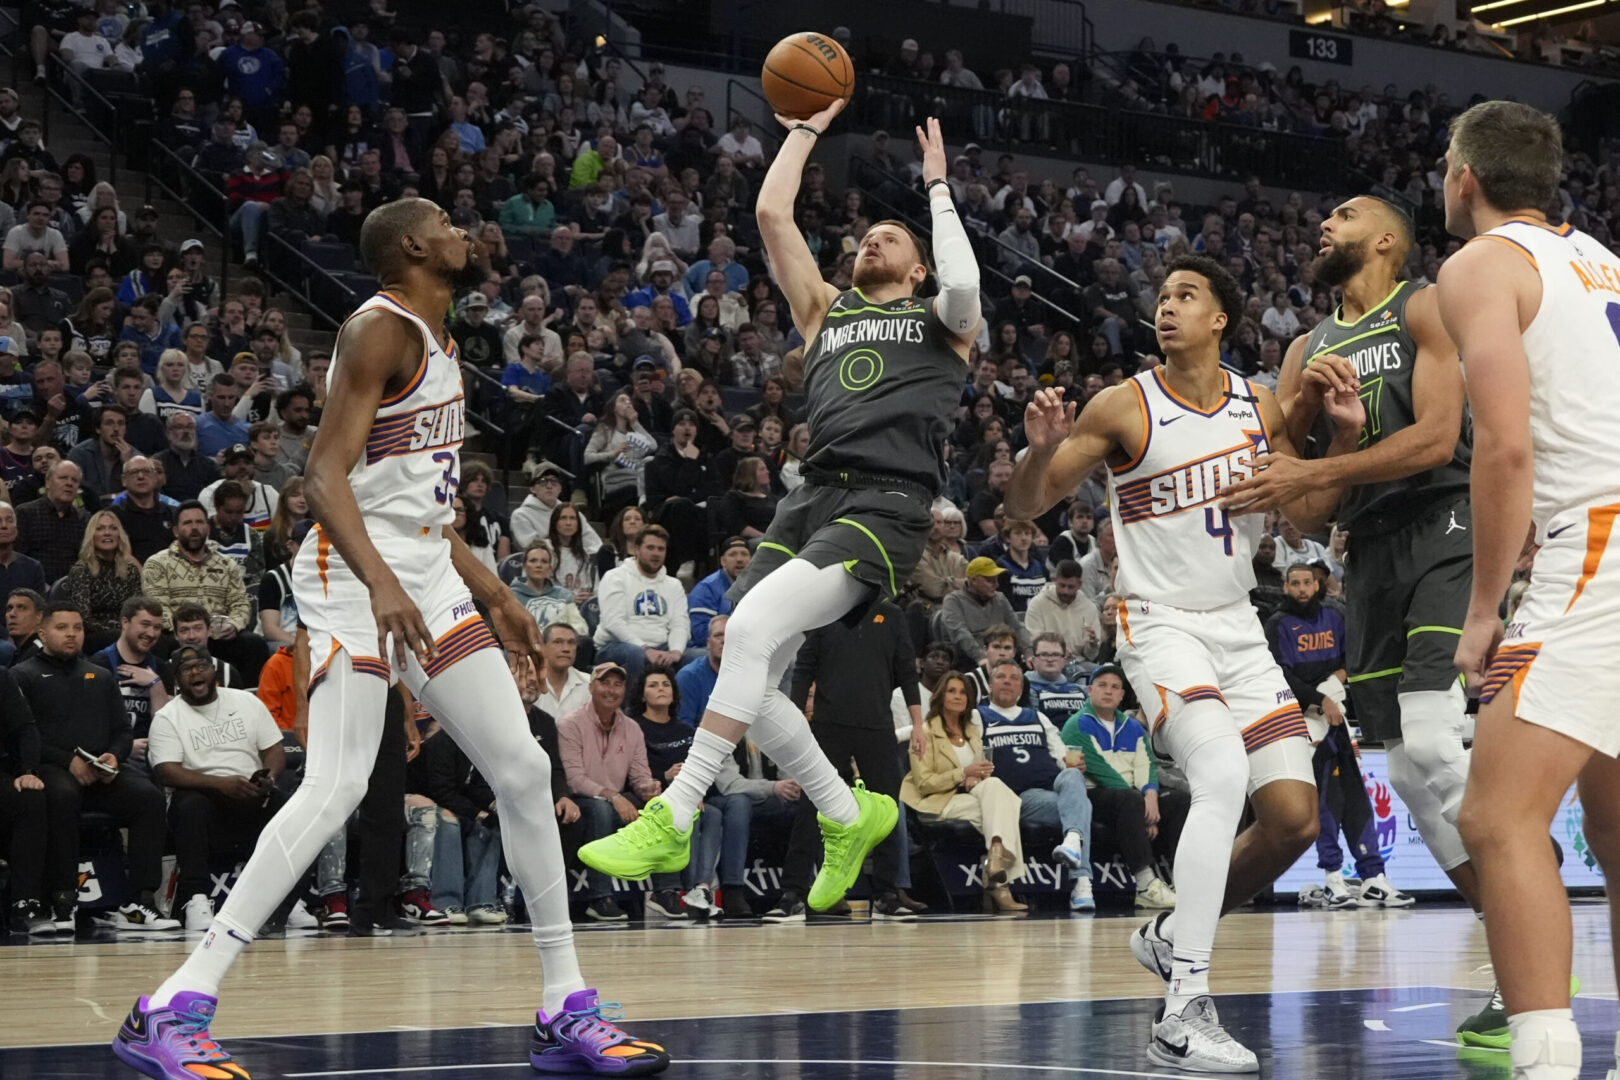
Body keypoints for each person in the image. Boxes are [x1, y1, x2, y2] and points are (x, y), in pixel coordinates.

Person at [114, 199, 668, 1079]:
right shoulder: (379, 329)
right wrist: (378, 583)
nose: (466, 229)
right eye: (448, 221)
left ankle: (565, 1004)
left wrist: (494, 593)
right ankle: (174, 1003)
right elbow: (322, 476)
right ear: (413, 246)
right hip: (349, 582)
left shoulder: (442, 340)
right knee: (333, 784)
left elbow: (422, 509)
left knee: (524, 768)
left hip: (428, 579)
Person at [578, 112, 980, 918]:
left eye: (890, 240)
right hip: (811, 497)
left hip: (886, 500)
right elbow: (771, 216)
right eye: (867, 235)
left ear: (918, 265)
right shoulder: (825, 311)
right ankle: (846, 811)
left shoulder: (944, 323)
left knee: (755, 632)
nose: (872, 241)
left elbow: (966, 285)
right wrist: (800, 129)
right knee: (739, 655)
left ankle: (674, 812)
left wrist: (936, 188)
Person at [1003, 255, 1362, 1071]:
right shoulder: (1124, 404)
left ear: (1220, 320)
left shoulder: (1259, 406)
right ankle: (1184, 1009)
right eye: (1161, 296)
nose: (1167, 308)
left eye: (1185, 296)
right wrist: (1037, 453)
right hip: (1158, 623)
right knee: (1220, 775)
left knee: (1295, 820)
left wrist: (1338, 438)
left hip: (1237, 624)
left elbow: (1304, 515)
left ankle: (1168, 937)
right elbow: (1027, 504)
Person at [1224, 192, 1494, 1036]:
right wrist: (1331, 449)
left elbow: (1436, 435)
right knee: (1410, 772)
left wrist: (1299, 476)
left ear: (1384, 239)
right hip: (1368, 551)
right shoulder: (1307, 347)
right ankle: (1515, 919)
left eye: (1341, 215)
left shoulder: (1424, 303)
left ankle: (1525, 894)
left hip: (1447, 520)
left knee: (1425, 740)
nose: (1322, 224)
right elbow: (1306, 521)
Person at [1429, 101, 1620, 1080]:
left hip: (1596, 547)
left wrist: (1481, 609)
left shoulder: (1479, 266)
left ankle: (1546, 1064)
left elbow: (1502, 447)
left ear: (1465, 178)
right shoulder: (1603, 261)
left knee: (1496, 820)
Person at [20, 602, 178, 932]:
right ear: (42, 632)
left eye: (77, 628)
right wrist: (68, 761)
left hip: (100, 771)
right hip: (53, 767)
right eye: (62, 627)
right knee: (61, 796)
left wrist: (114, 757)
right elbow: (23, 735)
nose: (71, 634)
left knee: (147, 797)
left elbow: (122, 730)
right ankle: (62, 902)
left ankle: (139, 902)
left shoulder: (98, 674)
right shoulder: (24, 675)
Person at [1265, 564, 1408, 909]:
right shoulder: (1277, 624)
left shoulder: (1335, 615)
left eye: (1307, 583)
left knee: (1355, 795)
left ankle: (1374, 876)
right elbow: (1278, 675)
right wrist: (1319, 698)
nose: (1301, 589)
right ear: (1286, 587)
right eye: (1294, 583)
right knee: (1325, 799)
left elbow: (1351, 659)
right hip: (1300, 719)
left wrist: (1336, 683)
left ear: (1318, 584)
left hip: (1336, 712)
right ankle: (1332, 876)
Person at [782, 599, 921, 921]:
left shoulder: (893, 615)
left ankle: (887, 894)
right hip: (829, 727)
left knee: (887, 810)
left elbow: (906, 671)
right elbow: (804, 668)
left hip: (878, 726)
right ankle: (793, 892)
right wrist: (796, 717)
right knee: (811, 807)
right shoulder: (822, 611)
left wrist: (918, 725)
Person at [148, 645, 287, 931]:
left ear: (213, 670)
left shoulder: (246, 702)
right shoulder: (167, 717)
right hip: (204, 800)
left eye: (201, 666)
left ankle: (284, 898)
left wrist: (269, 778)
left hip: (249, 793)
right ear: (176, 679)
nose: (195, 673)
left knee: (285, 804)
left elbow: (274, 749)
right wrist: (220, 784)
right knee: (190, 804)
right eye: (186, 670)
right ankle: (196, 898)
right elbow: (166, 771)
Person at [1060, 664, 1185, 911]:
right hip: (1094, 795)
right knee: (1127, 799)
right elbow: (1099, 770)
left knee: (1180, 801)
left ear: (1121, 695)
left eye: (1115, 687)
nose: (1109, 691)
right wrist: (1142, 805)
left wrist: (1150, 792)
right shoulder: (1076, 725)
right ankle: (1146, 885)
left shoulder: (1132, 727)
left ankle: (1183, 880)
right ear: (1090, 690)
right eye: (1102, 685)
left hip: (1131, 796)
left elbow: (1145, 763)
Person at [902, 670, 1029, 912]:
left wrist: (976, 778)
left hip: (969, 798)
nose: (958, 696)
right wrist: (963, 774)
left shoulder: (972, 732)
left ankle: (995, 861)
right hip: (935, 803)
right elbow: (924, 783)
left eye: (962, 692)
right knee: (1007, 807)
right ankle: (999, 884)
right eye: (952, 691)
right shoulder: (925, 731)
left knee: (994, 788)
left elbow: (980, 773)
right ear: (940, 696)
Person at [557, 661, 662, 922]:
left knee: (661, 809)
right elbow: (574, 779)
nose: (611, 690)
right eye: (605, 683)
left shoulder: (632, 728)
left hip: (616, 798)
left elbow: (639, 776)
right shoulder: (570, 724)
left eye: (618, 684)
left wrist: (649, 788)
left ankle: (666, 893)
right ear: (591, 687)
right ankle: (600, 897)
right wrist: (613, 797)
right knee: (601, 810)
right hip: (581, 799)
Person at [140, 503, 270, 684]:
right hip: (178, 636)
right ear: (176, 531)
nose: (194, 528)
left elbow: (240, 604)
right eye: (187, 523)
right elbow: (158, 608)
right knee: (158, 644)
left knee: (254, 644)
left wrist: (233, 624)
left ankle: (249, 700)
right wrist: (189, 630)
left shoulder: (226, 564)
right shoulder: (157, 563)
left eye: (199, 522)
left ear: (208, 528)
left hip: (218, 636)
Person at [592, 524, 688, 687]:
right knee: (636, 655)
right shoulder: (615, 577)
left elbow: (680, 623)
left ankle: (683, 712)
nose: (656, 553)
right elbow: (613, 622)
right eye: (650, 547)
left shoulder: (674, 585)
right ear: (636, 549)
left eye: (660, 549)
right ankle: (630, 711)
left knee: (697, 657)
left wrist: (676, 652)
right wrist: (645, 649)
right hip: (616, 646)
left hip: (661, 645)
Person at [90, 596, 170, 773]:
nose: (151, 633)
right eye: (145, 624)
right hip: (112, 755)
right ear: (125, 622)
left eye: (157, 627)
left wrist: (155, 684)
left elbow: (166, 725)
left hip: (154, 755)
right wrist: (123, 748)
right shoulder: (98, 664)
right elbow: (91, 723)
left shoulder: (161, 668)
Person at [61, 509, 145, 651]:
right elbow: (83, 618)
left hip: (126, 630)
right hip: (94, 634)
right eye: (100, 529)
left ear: (120, 535)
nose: (107, 533)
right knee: (116, 637)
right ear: (91, 536)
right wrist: (120, 629)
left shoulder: (130, 570)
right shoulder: (81, 570)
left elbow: (137, 609)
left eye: (113, 528)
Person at [940, 558, 1029, 666]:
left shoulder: (1000, 598)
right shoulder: (953, 600)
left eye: (996, 580)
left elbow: (1017, 627)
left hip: (1002, 655)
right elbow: (959, 633)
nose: (996, 585)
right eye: (990, 580)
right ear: (973, 580)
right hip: (969, 659)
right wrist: (981, 657)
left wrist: (1029, 652)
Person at [1026, 559, 1103, 663]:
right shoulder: (1038, 603)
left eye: (1070, 587)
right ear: (1055, 581)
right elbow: (1033, 642)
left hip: (1079, 663)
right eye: (1062, 585)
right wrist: (1057, 652)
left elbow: (1091, 656)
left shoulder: (1089, 608)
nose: (1065, 591)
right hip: (1046, 661)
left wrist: (1093, 644)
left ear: (1079, 584)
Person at [687, 536, 749, 646]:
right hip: (717, 650)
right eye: (733, 554)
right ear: (723, 561)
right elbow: (701, 635)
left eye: (744, 554)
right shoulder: (706, 588)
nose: (739, 559)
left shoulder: (760, 586)